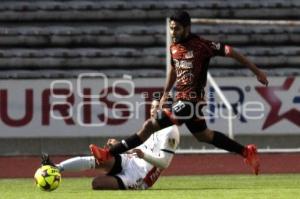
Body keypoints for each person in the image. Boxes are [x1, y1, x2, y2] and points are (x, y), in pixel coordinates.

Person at [89, 11, 269, 175]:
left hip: (192, 101)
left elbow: (231, 52)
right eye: (171, 29)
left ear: (187, 28)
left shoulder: (202, 45)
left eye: (177, 29)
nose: (173, 32)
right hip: (183, 100)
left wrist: (257, 72)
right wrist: (166, 93)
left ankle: (107, 153)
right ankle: (246, 151)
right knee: (203, 135)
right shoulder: (173, 47)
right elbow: (174, 70)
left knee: (149, 126)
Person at [41, 99, 180, 190]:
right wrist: (121, 146)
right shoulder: (151, 125)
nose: (153, 111)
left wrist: (144, 155)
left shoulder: (170, 131)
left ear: (165, 111)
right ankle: (58, 168)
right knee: (97, 159)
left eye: (157, 108)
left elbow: (164, 163)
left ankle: (120, 180)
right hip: (131, 160)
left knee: (97, 184)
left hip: (140, 175)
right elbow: (139, 148)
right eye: (152, 107)